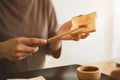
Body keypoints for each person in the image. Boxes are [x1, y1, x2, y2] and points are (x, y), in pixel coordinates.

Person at [0, 0, 89, 75]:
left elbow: (50, 48)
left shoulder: (44, 2)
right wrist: (2, 50)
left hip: (37, 76)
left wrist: (59, 36)